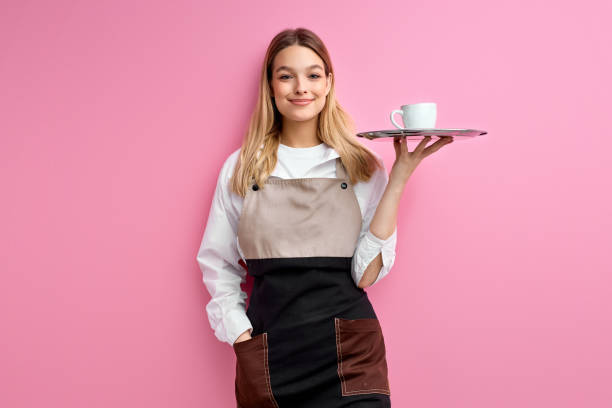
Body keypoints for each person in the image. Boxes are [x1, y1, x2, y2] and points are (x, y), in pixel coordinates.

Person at [196, 27, 453, 408]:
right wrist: (239, 334)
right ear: (270, 85)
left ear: (329, 83)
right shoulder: (242, 168)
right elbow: (216, 262)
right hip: (270, 354)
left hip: (350, 358)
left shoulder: (361, 165)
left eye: (314, 75)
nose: (301, 87)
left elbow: (365, 275)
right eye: (286, 76)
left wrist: (398, 176)